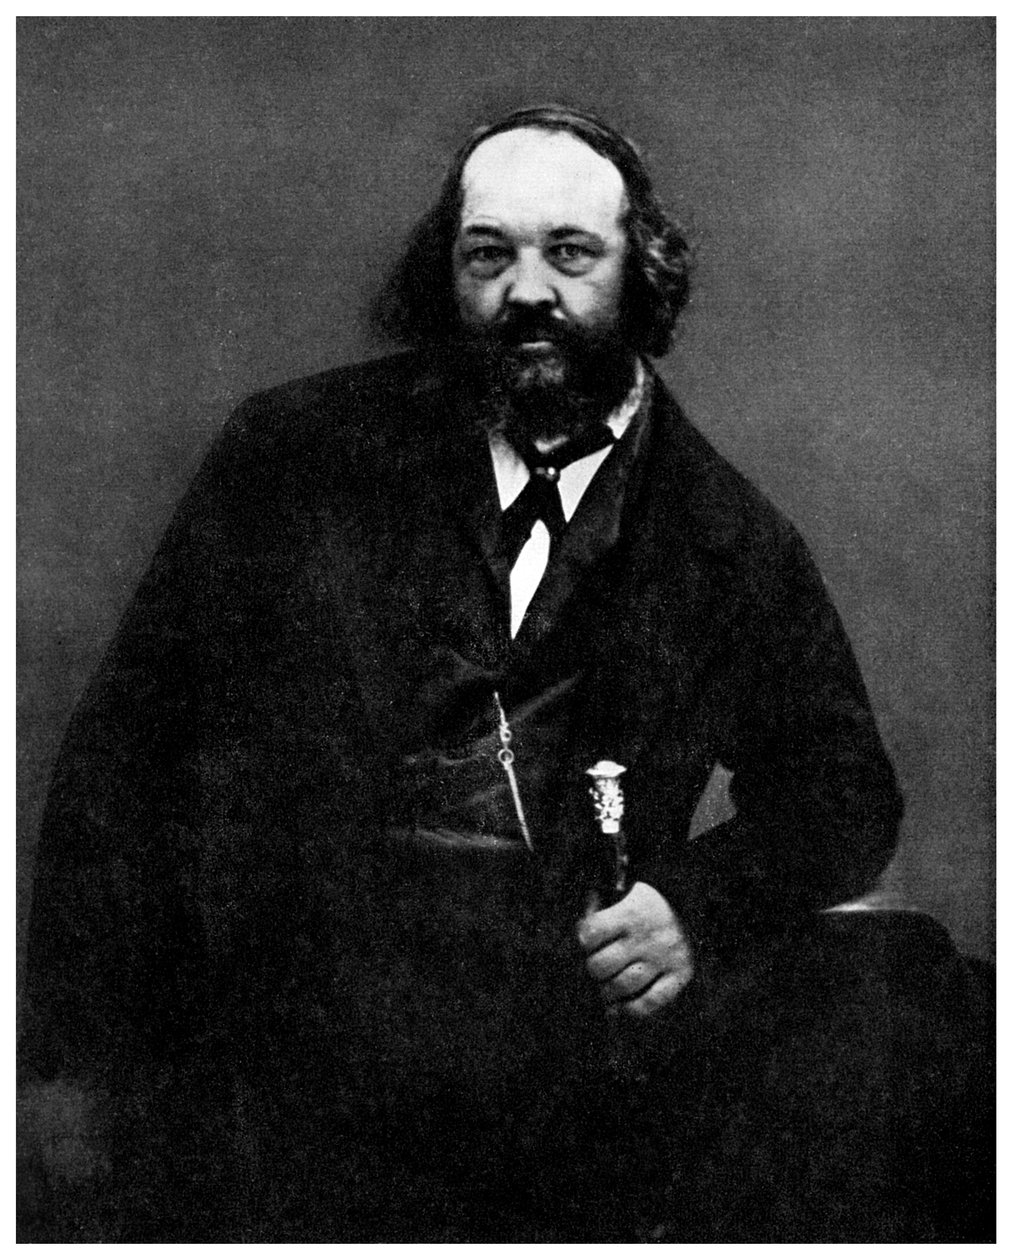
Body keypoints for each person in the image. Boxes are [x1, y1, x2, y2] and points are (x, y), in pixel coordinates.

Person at [22, 105, 991, 1243]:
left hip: (555, 1082)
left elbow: (844, 792)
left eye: (570, 253)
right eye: (489, 254)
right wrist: (67, 1065)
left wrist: (692, 905)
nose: (528, 291)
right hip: (279, 1060)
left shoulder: (725, 540)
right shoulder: (294, 455)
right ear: (447, 275)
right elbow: (124, 755)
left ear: (641, 274)